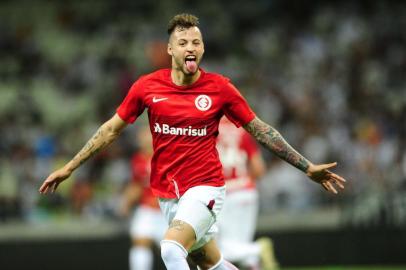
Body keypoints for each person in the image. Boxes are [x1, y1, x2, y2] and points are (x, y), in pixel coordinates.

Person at [39, 13, 346, 270]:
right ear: (170, 50)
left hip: (206, 189)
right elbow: (109, 130)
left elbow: (261, 130)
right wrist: (69, 168)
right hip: (167, 194)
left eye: (196, 42)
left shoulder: (219, 88)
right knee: (211, 264)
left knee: (171, 249)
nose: (191, 47)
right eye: (183, 42)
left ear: (202, 49)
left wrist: (306, 167)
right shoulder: (147, 87)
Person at [216, 117, 278, 270]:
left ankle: (257, 248)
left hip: (223, 192)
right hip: (246, 192)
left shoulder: (208, 130)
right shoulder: (242, 130)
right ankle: (254, 254)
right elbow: (259, 169)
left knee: (221, 247)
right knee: (242, 244)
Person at [120, 126, 167, 270]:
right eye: (141, 137)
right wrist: (126, 201)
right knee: (140, 241)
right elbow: (137, 184)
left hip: (166, 211)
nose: (142, 140)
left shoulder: (166, 157)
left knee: (174, 251)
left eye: (146, 136)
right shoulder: (138, 159)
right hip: (147, 209)